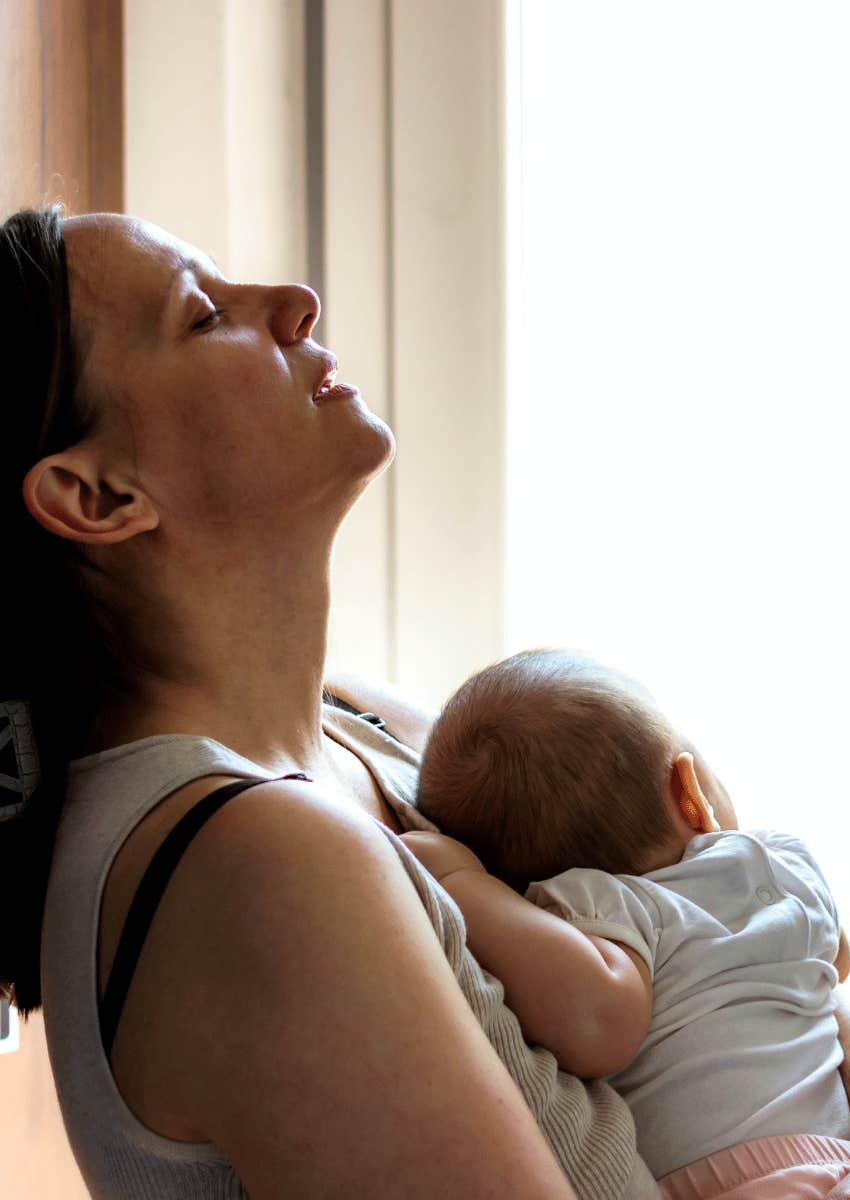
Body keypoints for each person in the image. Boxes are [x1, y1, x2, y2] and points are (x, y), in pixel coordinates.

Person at [0, 207, 662, 1199]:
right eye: (200, 312)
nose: (293, 303)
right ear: (97, 498)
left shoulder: (368, 729)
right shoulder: (253, 860)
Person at [403, 647, 850, 1198]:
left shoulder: (602, 911)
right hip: (816, 1160)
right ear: (690, 793)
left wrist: (459, 882)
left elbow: (596, 1026)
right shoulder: (776, 862)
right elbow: (836, 958)